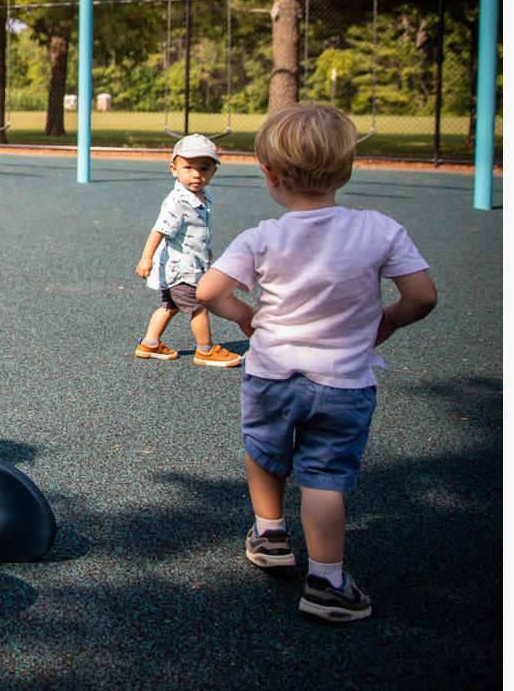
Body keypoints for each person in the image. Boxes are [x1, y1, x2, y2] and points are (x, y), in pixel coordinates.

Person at [196, 103, 438, 623]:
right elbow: (422, 296)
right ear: (347, 170)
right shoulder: (379, 230)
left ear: (270, 177)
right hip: (344, 382)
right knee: (324, 477)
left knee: (264, 451)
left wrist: (246, 317)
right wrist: (389, 320)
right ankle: (326, 581)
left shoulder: (264, 235)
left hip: (270, 375)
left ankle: (270, 533)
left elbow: (208, 291)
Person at [134, 134, 242, 367]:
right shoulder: (178, 201)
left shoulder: (199, 197)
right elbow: (159, 230)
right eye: (188, 167)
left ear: (214, 171)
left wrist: (205, 251)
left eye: (204, 168)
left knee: (169, 307)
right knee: (199, 308)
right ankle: (205, 349)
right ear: (174, 169)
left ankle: (149, 344)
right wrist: (146, 258)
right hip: (181, 269)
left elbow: (195, 232)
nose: (196, 174)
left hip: (187, 265)